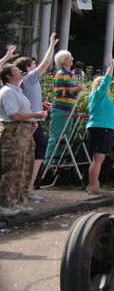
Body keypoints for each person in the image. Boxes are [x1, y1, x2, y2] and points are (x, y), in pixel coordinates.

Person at [15, 32, 58, 201]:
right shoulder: (30, 78)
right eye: (32, 64)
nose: (36, 66)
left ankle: (25, 188)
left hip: (29, 118)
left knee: (31, 153)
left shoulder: (24, 82)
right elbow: (46, 62)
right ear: (27, 68)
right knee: (37, 150)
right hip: (32, 121)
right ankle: (27, 188)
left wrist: (41, 105)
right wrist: (51, 45)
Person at [0, 64, 47, 217]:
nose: (20, 72)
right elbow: (13, 115)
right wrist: (35, 115)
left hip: (24, 132)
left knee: (24, 168)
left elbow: (23, 113)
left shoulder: (18, 91)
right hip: (13, 133)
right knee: (13, 168)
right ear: (8, 76)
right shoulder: (7, 92)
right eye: (16, 71)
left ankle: (19, 201)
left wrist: (32, 122)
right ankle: (6, 204)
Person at [44, 50, 86, 165]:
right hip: (60, 109)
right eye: (68, 58)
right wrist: (74, 90)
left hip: (70, 108)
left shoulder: (72, 75)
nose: (71, 59)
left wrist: (77, 91)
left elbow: (72, 93)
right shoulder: (60, 74)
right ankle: (48, 163)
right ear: (62, 62)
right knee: (56, 136)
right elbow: (58, 93)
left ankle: (57, 162)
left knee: (66, 137)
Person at [85, 56, 114, 195]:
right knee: (98, 158)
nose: (108, 87)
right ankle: (93, 187)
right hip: (100, 128)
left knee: (100, 158)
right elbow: (105, 81)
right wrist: (111, 66)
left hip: (106, 128)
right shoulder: (97, 94)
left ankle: (93, 185)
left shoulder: (104, 98)